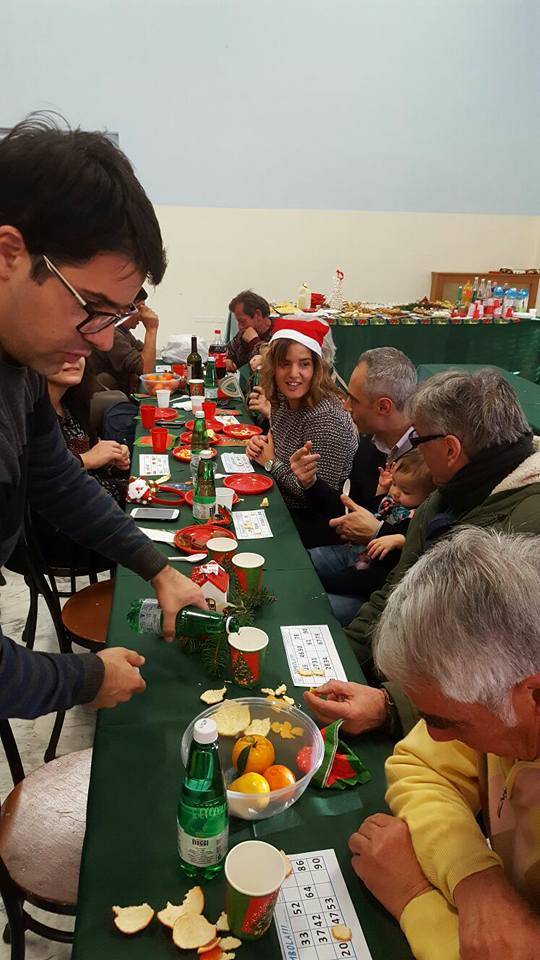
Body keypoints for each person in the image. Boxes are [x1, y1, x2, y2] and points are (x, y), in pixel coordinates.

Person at [0, 114, 205, 721]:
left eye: (115, 318)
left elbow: (55, 474)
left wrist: (156, 567)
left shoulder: (18, 357)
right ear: (9, 253)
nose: (95, 342)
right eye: (91, 308)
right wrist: (84, 677)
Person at [305, 369, 540, 739]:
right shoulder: (447, 492)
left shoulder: (527, 529)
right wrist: (343, 659)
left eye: (417, 437)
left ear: (450, 448)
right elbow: (397, 592)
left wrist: (391, 706)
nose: (411, 449)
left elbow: (501, 678)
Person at [349, 528, 540, 960]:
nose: (432, 735)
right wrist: (475, 877)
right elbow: (420, 766)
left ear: (533, 695)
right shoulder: (508, 685)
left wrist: (414, 898)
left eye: (447, 721)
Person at [291, 348, 416, 608]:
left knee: (306, 604)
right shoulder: (374, 443)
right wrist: (310, 483)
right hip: (357, 556)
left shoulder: (425, 461)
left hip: (388, 588)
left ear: (384, 406)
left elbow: (417, 562)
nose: (346, 406)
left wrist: (377, 532)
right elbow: (348, 508)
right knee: (291, 569)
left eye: (353, 399)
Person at [245, 318, 357, 548]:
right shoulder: (283, 400)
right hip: (283, 504)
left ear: (316, 368)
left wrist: (270, 463)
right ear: (273, 368)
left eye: (304, 364)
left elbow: (318, 497)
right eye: (285, 364)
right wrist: (259, 445)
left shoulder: (324, 417)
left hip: (313, 527)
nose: (294, 373)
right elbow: (275, 445)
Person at [317, 449, 435, 624]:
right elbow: (375, 515)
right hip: (359, 562)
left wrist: (400, 540)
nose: (395, 493)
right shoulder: (393, 502)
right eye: (394, 484)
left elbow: (414, 542)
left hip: (372, 589)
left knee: (321, 605)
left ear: (428, 498)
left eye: (405, 491)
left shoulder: (416, 519)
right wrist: (381, 491)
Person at [89, 286, 159, 394]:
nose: (142, 316)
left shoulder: (121, 330)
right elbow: (147, 372)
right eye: (140, 308)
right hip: (109, 400)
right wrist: (152, 329)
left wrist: (143, 360)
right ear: (126, 308)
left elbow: (142, 351)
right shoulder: (112, 334)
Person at [226, 290, 273, 371]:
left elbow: (268, 366)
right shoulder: (245, 332)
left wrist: (254, 341)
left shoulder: (279, 335)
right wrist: (227, 360)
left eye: (242, 321)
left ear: (257, 314)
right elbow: (227, 351)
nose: (239, 327)